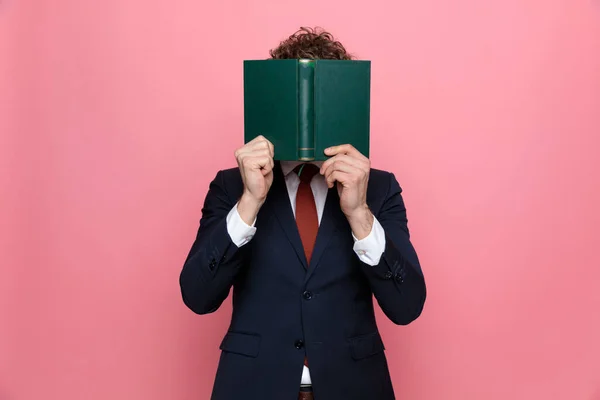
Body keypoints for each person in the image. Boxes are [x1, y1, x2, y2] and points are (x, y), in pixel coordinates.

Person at [179, 27, 426, 400]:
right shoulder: (232, 187)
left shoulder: (379, 188)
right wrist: (249, 203)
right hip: (253, 387)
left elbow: (407, 306)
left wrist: (359, 213)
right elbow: (197, 296)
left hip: (355, 387)